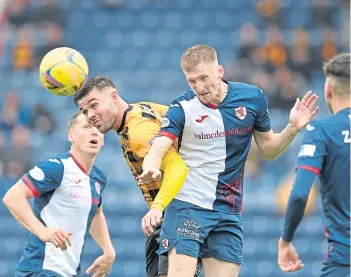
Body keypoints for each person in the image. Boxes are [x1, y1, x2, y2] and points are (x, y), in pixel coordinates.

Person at [139, 44, 319, 277]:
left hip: (227, 210)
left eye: (204, 78)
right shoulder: (182, 106)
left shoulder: (252, 98)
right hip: (187, 206)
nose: (200, 87)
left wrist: (293, 128)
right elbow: (160, 145)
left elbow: (269, 150)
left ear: (220, 71)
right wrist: (151, 165)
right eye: (192, 81)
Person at [73, 76, 202, 277]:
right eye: (85, 111)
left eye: (94, 105)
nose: (90, 115)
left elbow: (178, 168)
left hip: (180, 213)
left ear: (113, 96)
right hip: (172, 215)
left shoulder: (139, 130)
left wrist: (157, 208)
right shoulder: (142, 109)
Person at [3, 112, 115, 277]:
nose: (94, 132)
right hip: (41, 269)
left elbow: (96, 212)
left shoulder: (98, 178)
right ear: (71, 136)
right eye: (86, 126)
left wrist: (108, 250)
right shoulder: (57, 167)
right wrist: (42, 231)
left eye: (98, 127)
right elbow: (12, 197)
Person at [278, 53, 350, 276]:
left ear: (328, 90)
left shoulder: (321, 131)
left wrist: (286, 240)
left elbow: (300, 194)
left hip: (344, 260)